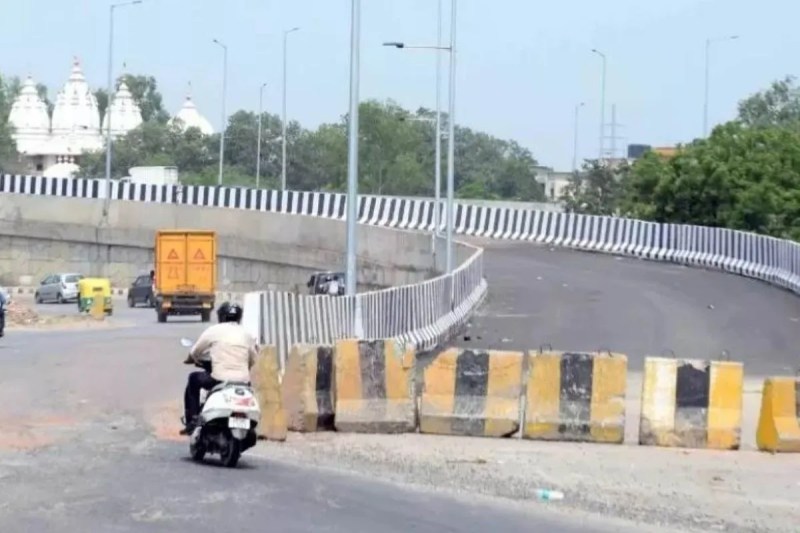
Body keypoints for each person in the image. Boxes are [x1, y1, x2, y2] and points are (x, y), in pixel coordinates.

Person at [180, 301, 258, 435]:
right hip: (243, 381)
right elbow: (253, 359)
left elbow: (196, 351)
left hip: (219, 379)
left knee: (193, 379)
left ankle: (192, 420)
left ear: (221, 316)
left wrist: (190, 359)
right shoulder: (247, 334)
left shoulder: (214, 330)